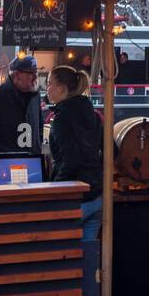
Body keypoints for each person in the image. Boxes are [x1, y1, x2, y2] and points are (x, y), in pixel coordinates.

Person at [46, 65, 103, 241]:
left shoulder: (62, 118)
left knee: (64, 254)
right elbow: (108, 150)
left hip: (74, 196)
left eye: (49, 84)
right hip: (96, 195)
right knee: (88, 254)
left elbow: (70, 160)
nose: (46, 89)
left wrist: (55, 190)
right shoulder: (92, 114)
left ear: (62, 89)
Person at [0, 54, 42, 156]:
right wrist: (7, 153)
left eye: (36, 72)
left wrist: (36, 149)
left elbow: (39, 126)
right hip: (4, 165)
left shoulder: (35, 97)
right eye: (31, 73)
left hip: (33, 162)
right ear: (17, 75)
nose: (35, 77)